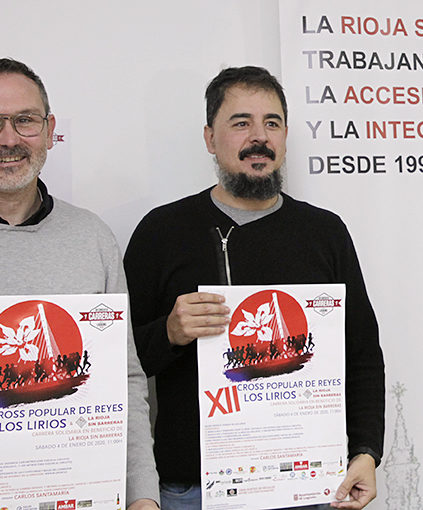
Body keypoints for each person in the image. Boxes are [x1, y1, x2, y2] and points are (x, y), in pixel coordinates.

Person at [123, 66, 384, 509]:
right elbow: (119, 365)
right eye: (241, 123)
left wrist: (365, 451)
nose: (259, 137)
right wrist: (169, 332)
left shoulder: (324, 233)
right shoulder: (161, 232)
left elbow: (361, 353)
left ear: (285, 137)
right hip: (194, 492)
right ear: (210, 138)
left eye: (272, 123)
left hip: (306, 486)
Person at [0, 57, 160, 509]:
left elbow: (124, 379)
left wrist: (143, 495)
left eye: (25, 120)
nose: (9, 139)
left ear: (50, 130)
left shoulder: (93, 238)